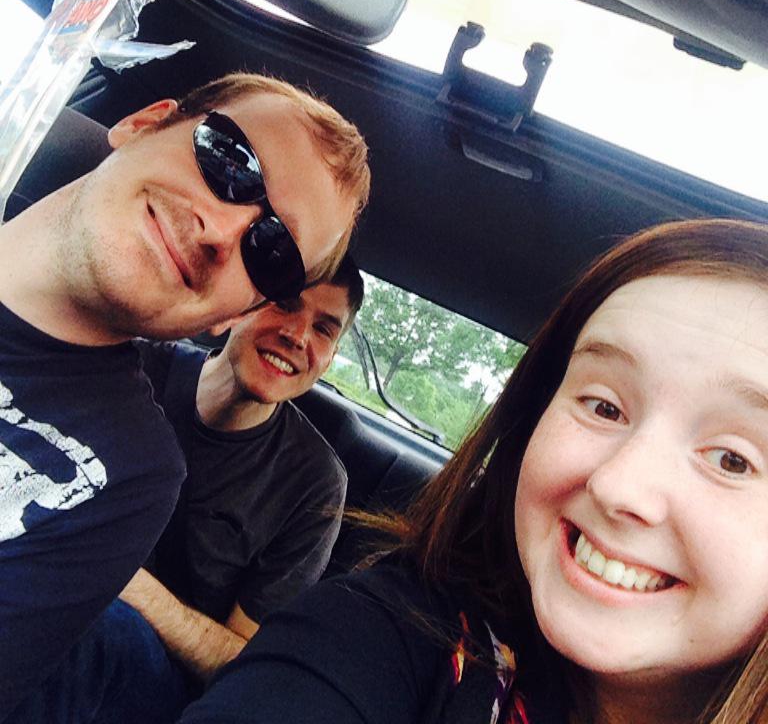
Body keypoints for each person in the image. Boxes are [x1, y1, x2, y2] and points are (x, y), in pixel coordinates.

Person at [180, 218, 768, 724]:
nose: (619, 486)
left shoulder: (316, 481)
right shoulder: (396, 630)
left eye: (733, 459)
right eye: (604, 407)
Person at [0, 71, 369, 717]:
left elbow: (243, 661)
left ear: (234, 307)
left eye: (273, 253)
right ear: (142, 123)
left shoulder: (309, 482)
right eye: (230, 161)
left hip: (145, 664)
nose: (221, 232)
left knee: (110, 629)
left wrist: (129, 587)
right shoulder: (140, 367)